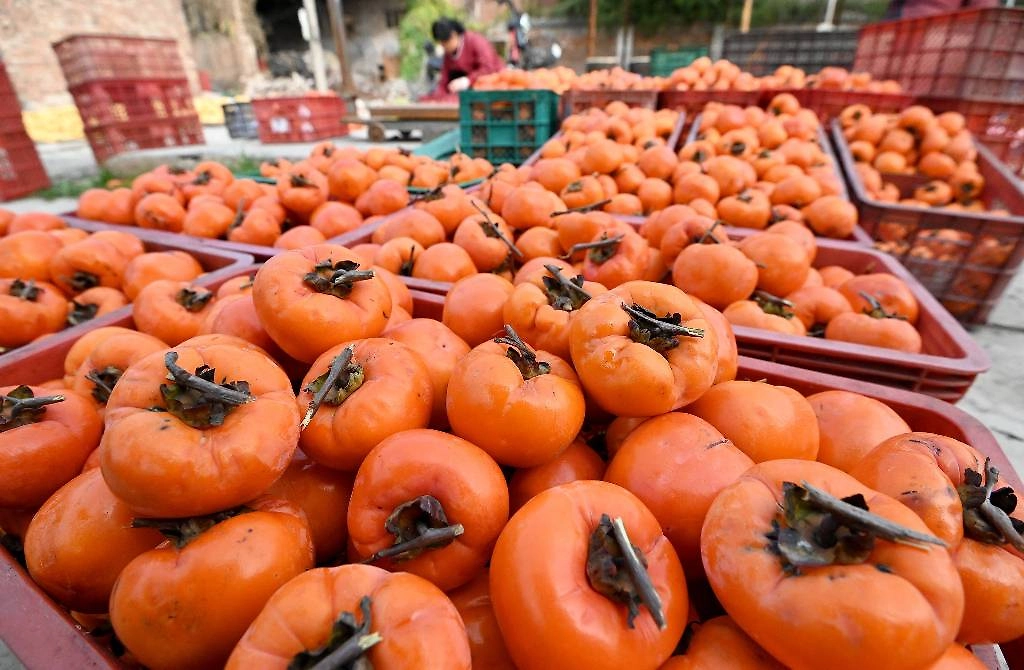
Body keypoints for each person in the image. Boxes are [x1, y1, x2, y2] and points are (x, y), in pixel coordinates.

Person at [422, 18, 504, 101]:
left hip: (494, 88)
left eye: (445, 43)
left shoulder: (476, 41)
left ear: (454, 35)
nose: (444, 47)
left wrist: (467, 80)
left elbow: (488, 68)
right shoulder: (449, 54)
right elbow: (444, 81)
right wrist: (436, 99)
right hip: (470, 94)